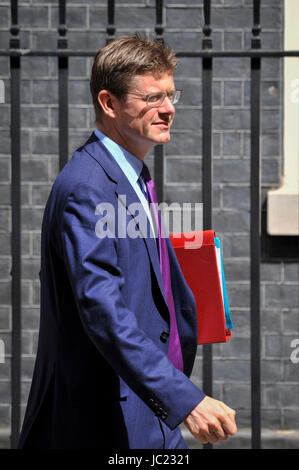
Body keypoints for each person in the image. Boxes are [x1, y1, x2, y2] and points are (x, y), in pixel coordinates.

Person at [18, 34, 237, 449]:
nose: (169, 109)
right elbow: (102, 307)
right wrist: (185, 401)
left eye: (172, 95)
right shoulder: (87, 186)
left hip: (150, 412)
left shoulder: (131, 175)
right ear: (109, 103)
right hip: (107, 420)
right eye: (153, 97)